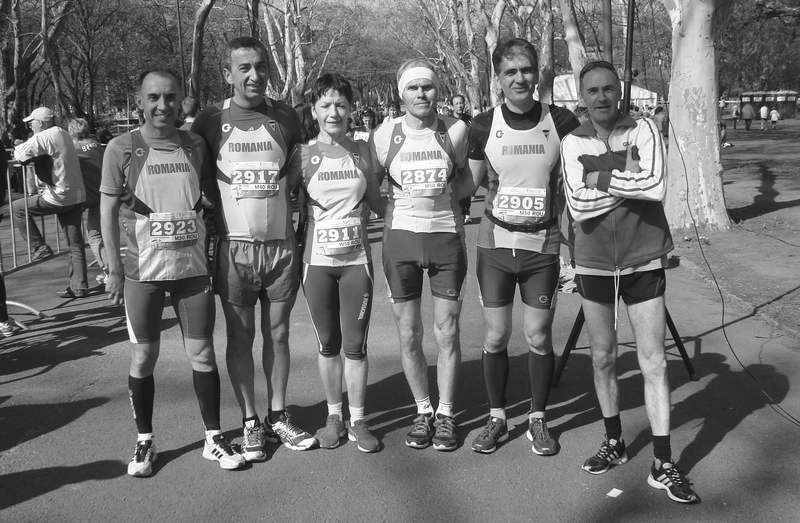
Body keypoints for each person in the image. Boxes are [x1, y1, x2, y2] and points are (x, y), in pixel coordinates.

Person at [561, 60, 699, 504]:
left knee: (653, 361)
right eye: (593, 91)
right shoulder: (572, 141)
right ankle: (614, 441)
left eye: (608, 89)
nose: (601, 97)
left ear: (618, 91)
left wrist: (598, 176)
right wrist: (628, 181)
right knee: (602, 357)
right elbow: (578, 205)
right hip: (594, 262)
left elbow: (656, 187)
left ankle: (663, 462)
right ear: (582, 97)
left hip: (643, 258)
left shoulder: (643, 129)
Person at [101, 69, 245, 477]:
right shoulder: (121, 148)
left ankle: (213, 437)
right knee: (143, 356)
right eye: (153, 97)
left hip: (191, 270)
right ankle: (145, 441)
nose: (162, 105)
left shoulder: (195, 144)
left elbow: (212, 197)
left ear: (181, 100)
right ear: (139, 101)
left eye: (170, 97)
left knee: (202, 353)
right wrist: (113, 268)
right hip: (141, 273)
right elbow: (106, 210)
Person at [192, 36, 314, 462]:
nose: (254, 75)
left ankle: (277, 415)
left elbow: (300, 171)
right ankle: (249, 421)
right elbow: (194, 176)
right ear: (228, 74)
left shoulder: (287, 116)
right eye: (244, 68)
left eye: (260, 66)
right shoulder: (209, 120)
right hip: (235, 251)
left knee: (278, 334)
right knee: (240, 337)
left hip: (280, 248)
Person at [464, 38, 579, 455]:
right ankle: (497, 417)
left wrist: (578, 249)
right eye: (510, 71)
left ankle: (537, 418)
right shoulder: (483, 125)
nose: (519, 78)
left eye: (526, 69)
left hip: (542, 246)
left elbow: (576, 185)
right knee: (496, 336)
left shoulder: (561, 121)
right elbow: (467, 185)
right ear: (498, 78)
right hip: (495, 246)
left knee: (538, 335)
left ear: (538, 73)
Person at [370, 59, 470, 451]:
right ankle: (423, 409)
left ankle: (446, 413)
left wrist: (450, 203)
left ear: (437, 90)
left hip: (446, 238)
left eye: (427, 86)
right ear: (402, 94)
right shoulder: (385, 134)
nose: (421, 94)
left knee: (447, 331)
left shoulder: (456, 130)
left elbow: (467, 177)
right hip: (401, 242)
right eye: (413, 88)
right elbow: (372, 187)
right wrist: (394, 213)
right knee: (409, 332)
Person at [286, 73, 386, 453]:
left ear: (351, 109)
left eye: (341, 105)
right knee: (328, 344)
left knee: (356, 345)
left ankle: (358, 419)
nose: (334, 112)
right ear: (314, 110)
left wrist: (418, 206)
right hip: (317, 264)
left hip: (357, 263)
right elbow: (280, 203)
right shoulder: (302, 155)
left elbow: (377, 202)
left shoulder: (362, 151)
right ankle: (333, 416)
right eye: (325, 105)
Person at [13, 106, 88, 298]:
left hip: (59, 196)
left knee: (18, 208)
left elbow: (19, 154)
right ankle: (79, 286)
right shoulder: (63, 133)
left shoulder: (45, 136)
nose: (31, 126)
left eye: (32, 123)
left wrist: (20, 144)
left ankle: (39, 247)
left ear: (41, 123)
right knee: (75, 244)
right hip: (76, 195)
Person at [68, 117, 107, 282]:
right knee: (102, 233)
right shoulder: (97, 145)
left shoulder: (74, 150)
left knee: (94, 235)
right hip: (105, 192)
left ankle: (109, 270)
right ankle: (109, 269)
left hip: (90, 195)